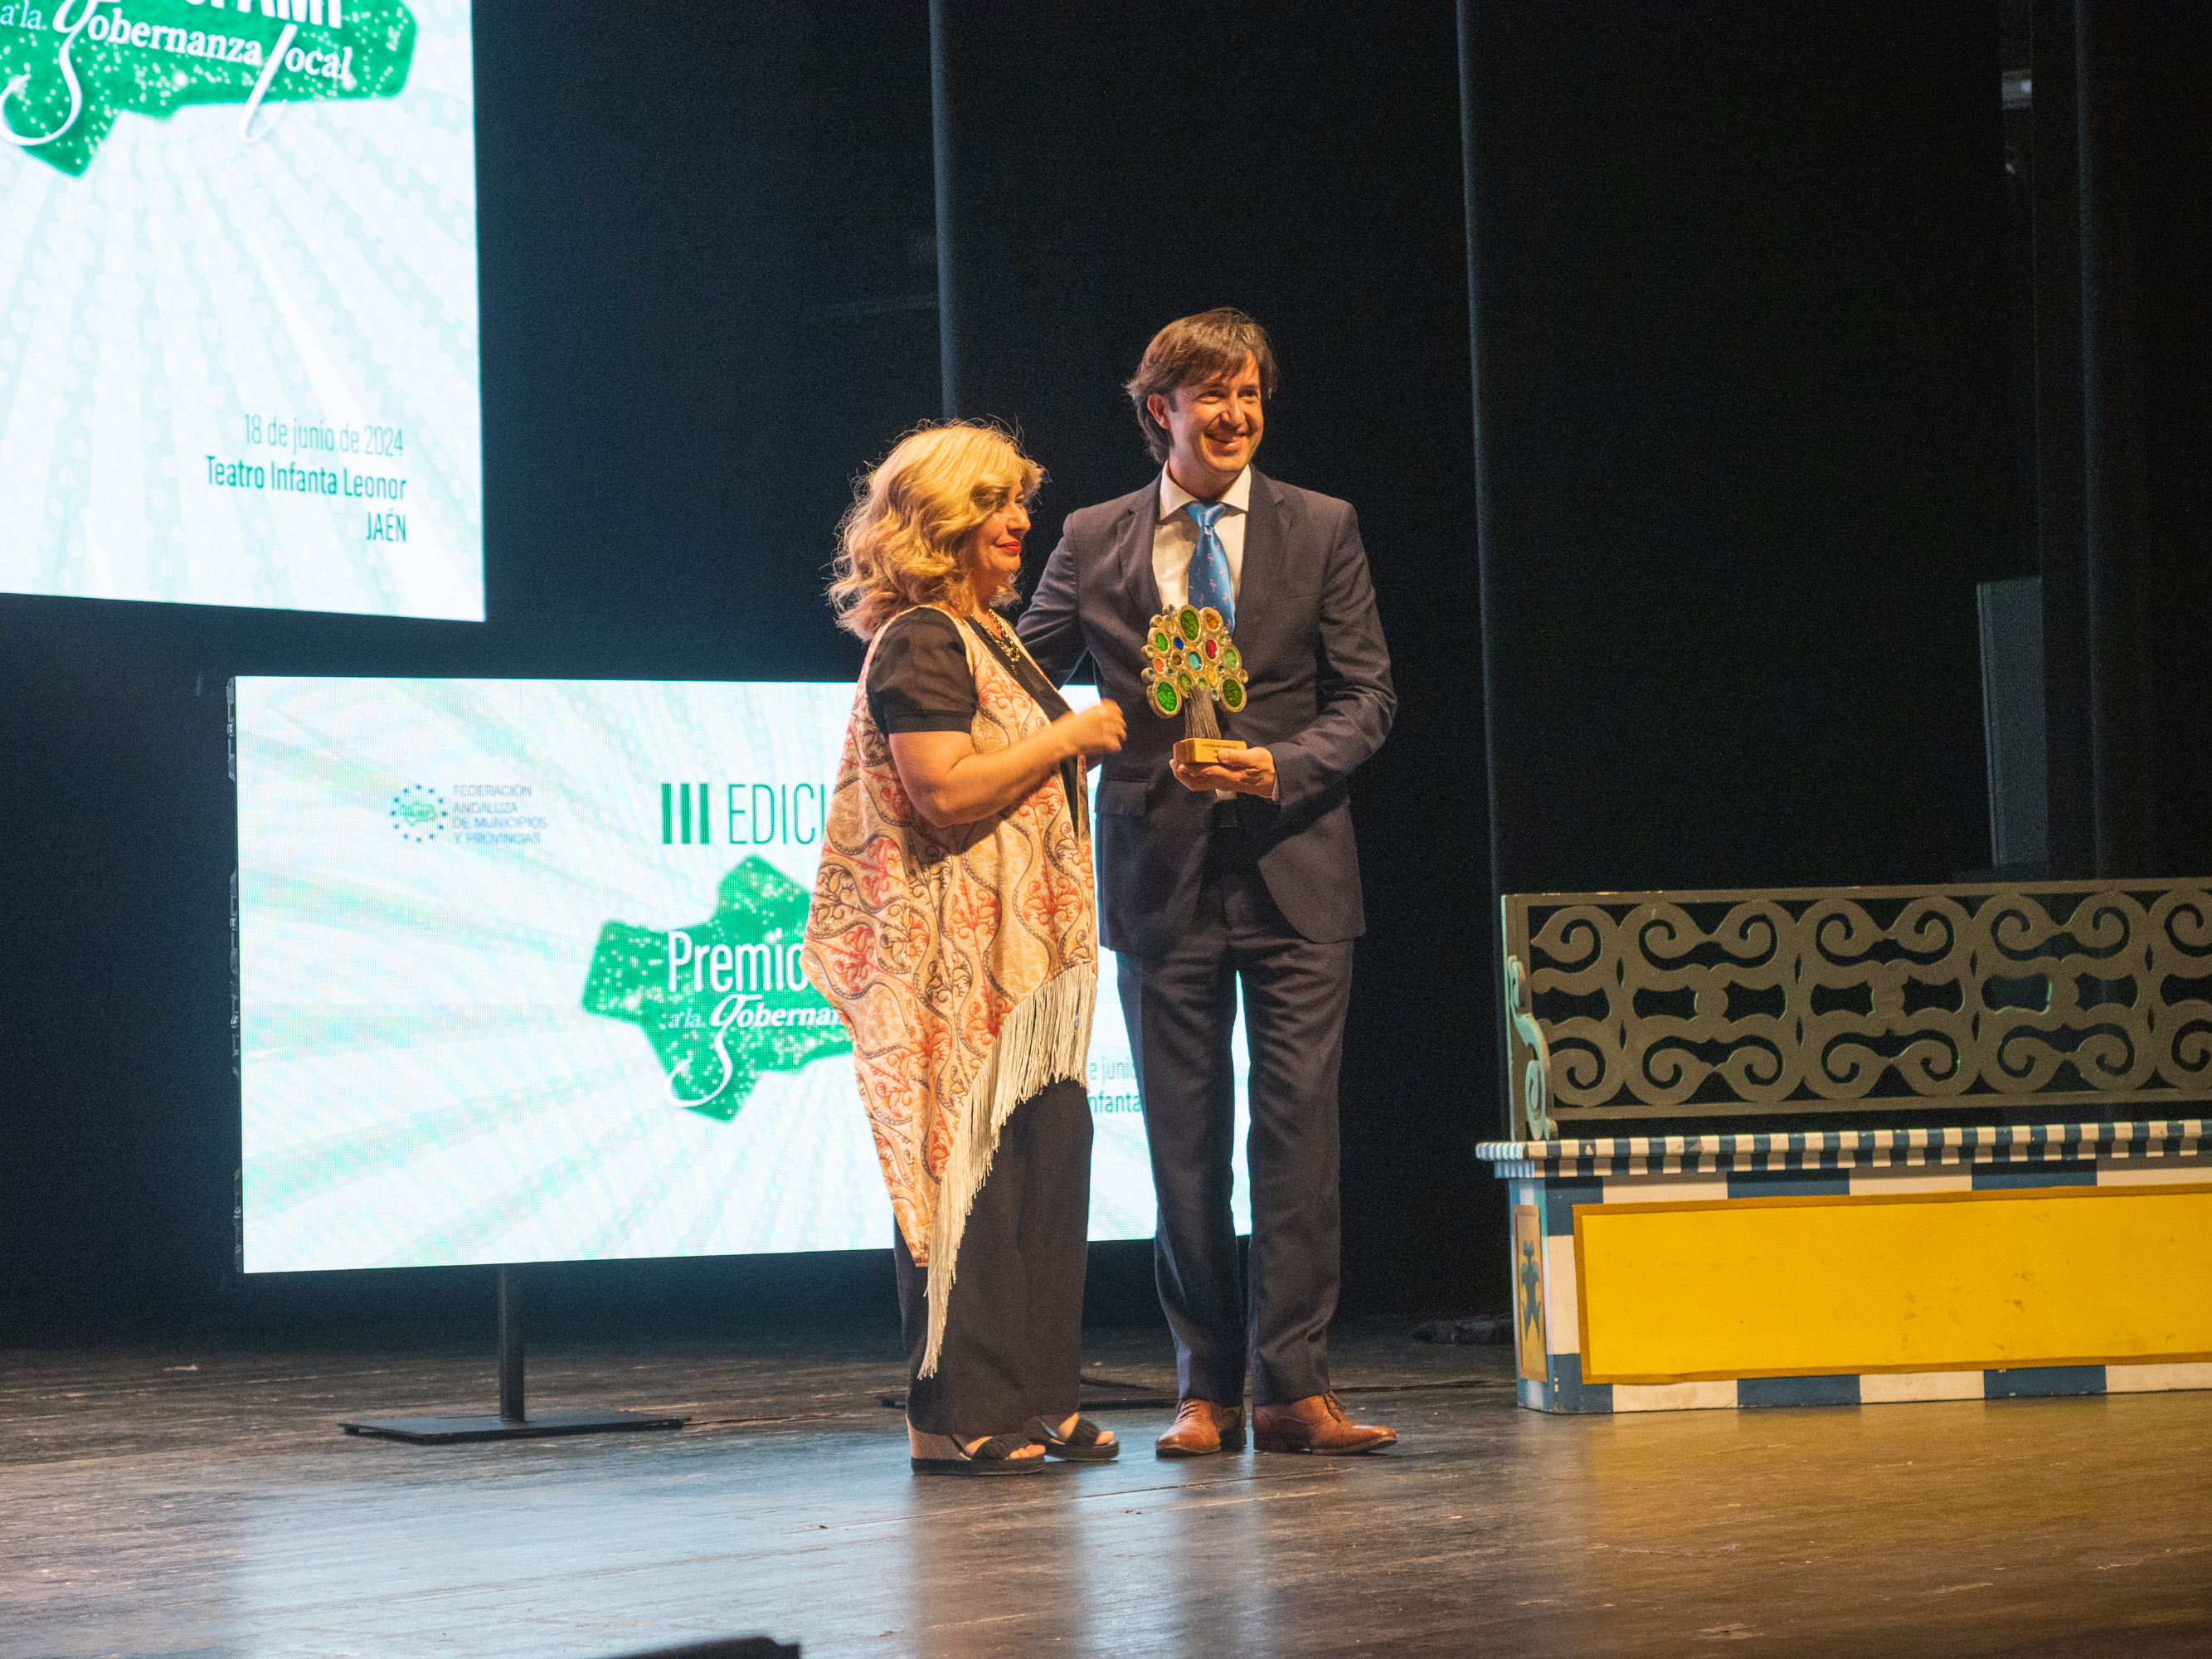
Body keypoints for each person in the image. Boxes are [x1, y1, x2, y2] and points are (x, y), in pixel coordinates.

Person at [1018, 309, 1398, 1457]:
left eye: (1250, 395)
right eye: (1211, 396)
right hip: (1159, 871)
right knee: (1183, 1147)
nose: (1235, 415)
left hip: (1297, 866)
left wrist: (1277, 765)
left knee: (1296, 1140)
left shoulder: (1320, 525)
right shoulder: (1093, 535)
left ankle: (1293, 1387)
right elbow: (1019, 677)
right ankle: (1205, 1389)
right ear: (1161, 411)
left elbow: (1367, 698)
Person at [801, 422, 1128, 1476]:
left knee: (1044, 1161)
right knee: (969, 1173)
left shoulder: (988, 635)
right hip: (957, 963)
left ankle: (1037, 1394)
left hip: (1024, 966)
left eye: (1020, 501)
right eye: (996, 505)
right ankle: (955, 1411)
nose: (1020, 522)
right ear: (940, 523)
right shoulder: (922, 638)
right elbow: (942, 789)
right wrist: (1071, 733)